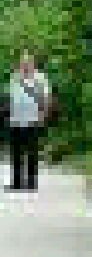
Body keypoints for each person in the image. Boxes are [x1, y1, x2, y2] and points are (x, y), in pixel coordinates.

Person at [6, 51, 52, 191]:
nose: (25, 66)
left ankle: (31, 182)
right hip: (16, 119)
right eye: (23, 63)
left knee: (32, 151)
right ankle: (17, 182)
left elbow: (46, 96)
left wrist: (43, 113)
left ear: (33, 64)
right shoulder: (15, 77)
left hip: (33, 119)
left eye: (27, 63)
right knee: (16, 152)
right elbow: (12, 96)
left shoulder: (40, 78)